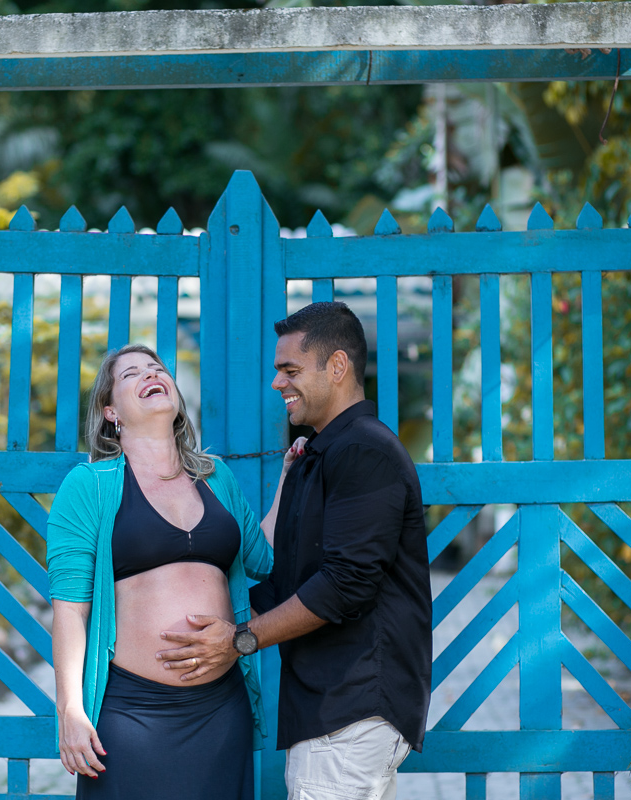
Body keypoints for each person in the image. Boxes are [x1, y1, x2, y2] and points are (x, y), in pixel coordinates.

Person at [156, 302, 432, 800]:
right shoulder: (318, 456)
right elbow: (281, 578)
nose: (277, 383)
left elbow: (345, 585)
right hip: (332, 710)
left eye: (290, 370)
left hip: (352, 709)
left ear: (338, 366)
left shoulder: (366, 451)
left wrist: (240, 639)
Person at [46, 344, 295, 800]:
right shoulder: (89, 485)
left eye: (157, 369)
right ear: (110, 411)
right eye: (131, 375)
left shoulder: (216, 477)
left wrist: (288, 479)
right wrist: (71, 710)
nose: (149, 375)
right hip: (131, 714)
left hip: (221, 709)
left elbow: (263, 559)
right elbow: (69, 611)